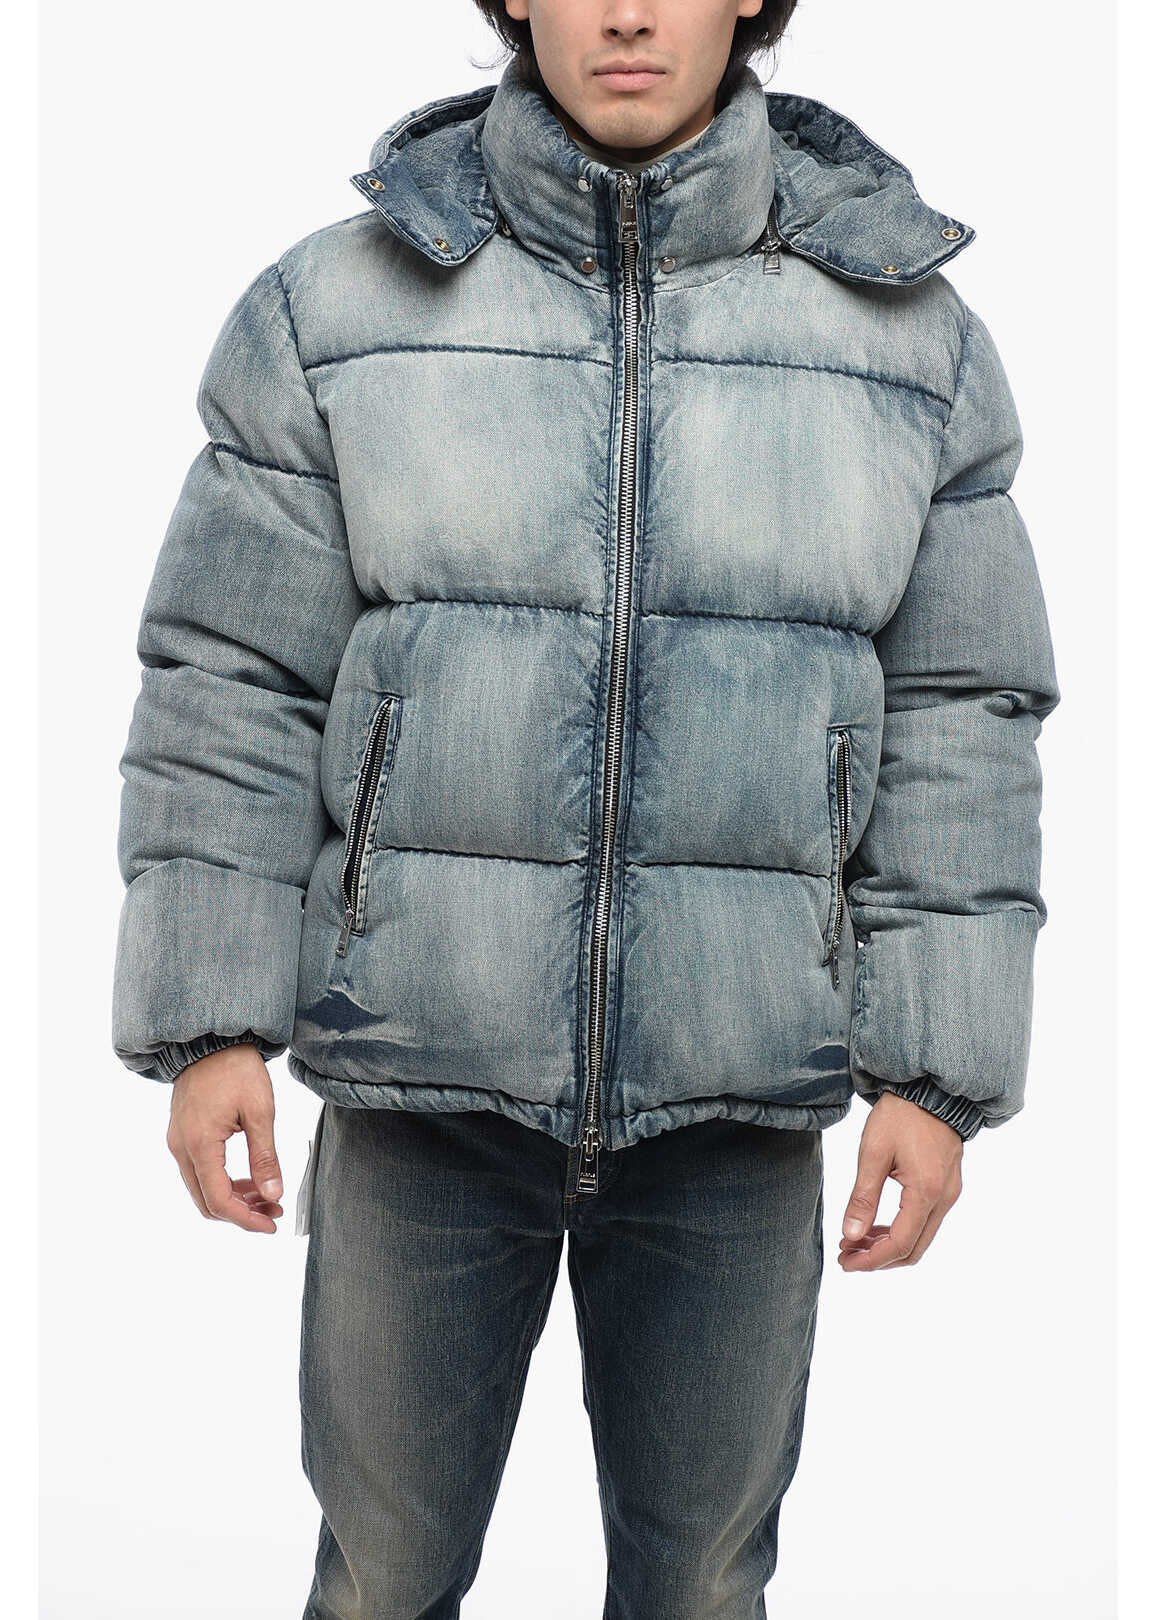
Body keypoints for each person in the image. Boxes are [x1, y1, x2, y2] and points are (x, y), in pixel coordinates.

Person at [110, 2, 1061, 1614]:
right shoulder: (331, 313)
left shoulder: (910, 339)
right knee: (383, 1582)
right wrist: (209, 1023)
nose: (626, 11)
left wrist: (935, 1070)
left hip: (739, 1094)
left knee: (701, 1590)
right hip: (417, 1075)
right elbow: (230, 684)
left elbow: (962, 716)